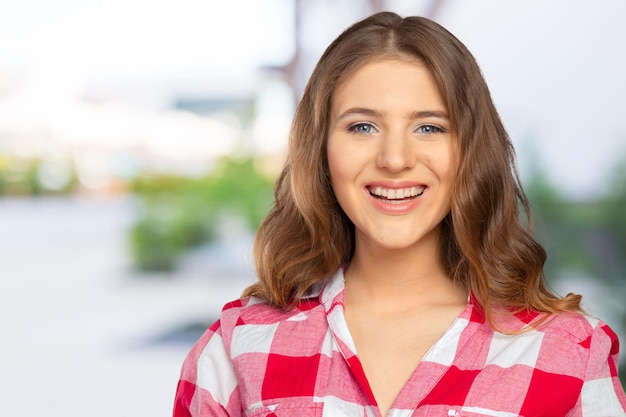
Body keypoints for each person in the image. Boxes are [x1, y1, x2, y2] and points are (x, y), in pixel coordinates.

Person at [173, 11, 626, 417]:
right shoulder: (237, 346)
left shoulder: (565, 352)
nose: (394, 158)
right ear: (322, 150)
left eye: (429, 127)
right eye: (362, 126)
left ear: (469, 151)